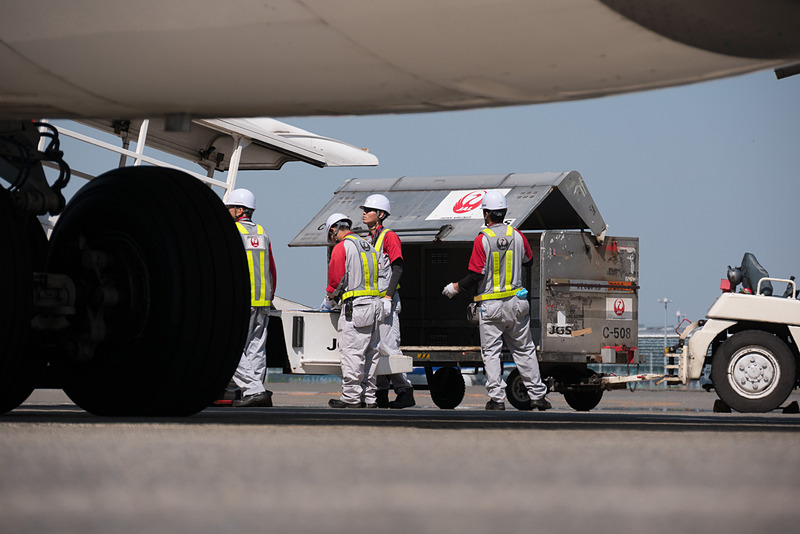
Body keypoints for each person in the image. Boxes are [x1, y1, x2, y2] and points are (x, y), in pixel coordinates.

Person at [442, 190, 551, 411]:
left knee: (491, 353)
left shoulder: (483, 239)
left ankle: (497, 399)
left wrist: (455, 288)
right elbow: (529, 261)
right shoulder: (518, 236)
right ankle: (538, 396)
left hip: (491, 307)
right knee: (525, 350)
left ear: (486, 214)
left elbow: (476, 274)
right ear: (504, 212)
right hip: (517, 304)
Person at [360, 194, 415, 409]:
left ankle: (405, 391)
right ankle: (381, 391)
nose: (364, 213)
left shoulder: (389, 237)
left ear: (381, 214)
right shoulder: (369, 239)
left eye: (369, 210)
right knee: (376, 349)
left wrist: (388, 297)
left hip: (386, 301)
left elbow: (398, 267)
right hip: (374, 302)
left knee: (389, 347)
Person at [322, 213, 382, 408]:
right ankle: (369, 397)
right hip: (375, 306)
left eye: (331, 235)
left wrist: (329, 298)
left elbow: (335, 280)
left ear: (334, 229)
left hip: (356, 308)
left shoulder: (343, 247)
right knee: (371, 355)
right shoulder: (369, 246)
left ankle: (351, 397)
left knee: (352, 353)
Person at [226, 188, 276, 407]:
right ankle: (256, 392)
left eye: (229, 208)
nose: (227, 212)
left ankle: (254, 389)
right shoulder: (262, 232)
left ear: (239, 210)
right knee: (256, 348)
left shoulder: (232, 231)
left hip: (242, 300)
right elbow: (272, 268)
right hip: (263, 300)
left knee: (229, 347)